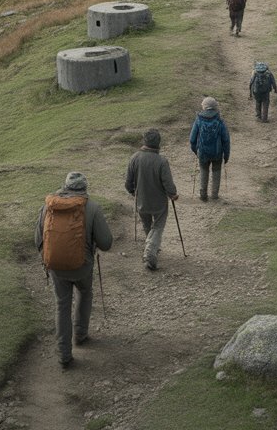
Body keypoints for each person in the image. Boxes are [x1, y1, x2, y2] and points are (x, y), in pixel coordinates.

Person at [34, 172, 113, 368]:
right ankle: (80, 334)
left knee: (62, 305)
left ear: (65, 187)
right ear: (84, 188)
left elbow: (38, 240)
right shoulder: (92, 208)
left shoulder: (48, 207)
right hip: (82, 266)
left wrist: (51, 257)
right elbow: (106, 243)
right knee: (85, 293)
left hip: (56, 267)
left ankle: (63, 354)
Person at [124, 129, 178, 271]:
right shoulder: (161, 161)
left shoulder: (134, 158)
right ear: (158, 143)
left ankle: (151, 247)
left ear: (145, 141)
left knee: (147, 225)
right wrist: (173, 194)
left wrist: (132, 192)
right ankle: (150, 251)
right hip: (159, 201)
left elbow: (128, 183)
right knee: (158, 226)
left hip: (141, 199)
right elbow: (168, 183)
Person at [189, 97, 231, 201]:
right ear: (215, 107)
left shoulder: (198, 120)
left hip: (203, 153)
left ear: (204, 106)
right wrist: (226, 155)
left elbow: (192, 139)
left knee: (204, 172)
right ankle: (214, 195)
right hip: (217, 153)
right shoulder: (220, 121)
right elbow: (226, 140)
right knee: (216, 172)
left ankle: (203, 196)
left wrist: (196, 151)